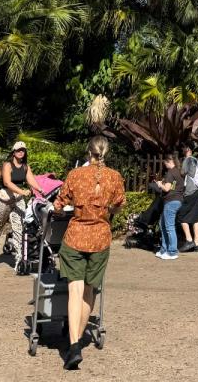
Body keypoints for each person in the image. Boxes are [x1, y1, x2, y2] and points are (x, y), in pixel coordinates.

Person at [54, 136, 125, 371]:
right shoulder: (114, 177)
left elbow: (59, 203)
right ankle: (77, 343)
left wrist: (59, 208)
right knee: (89, 290)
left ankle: (74, 345)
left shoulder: (75, 175)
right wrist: (106, 209)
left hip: (75, 236)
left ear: (88, 152)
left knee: (74, 290)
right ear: (106, 153)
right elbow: (119, 205)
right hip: (100, 239)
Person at [0, 141, 41, 271]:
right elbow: (7, 182)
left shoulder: (25, 167)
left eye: (23, 150)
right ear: (13, 152)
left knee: (20, 229)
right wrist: (22, 191)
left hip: (18, 200)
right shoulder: (7, 165)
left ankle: (20, 261)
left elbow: (32, 180)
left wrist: (41, 189)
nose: (21, 152)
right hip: (5, 199)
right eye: (18, 150)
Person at [155, 154, 183, 260]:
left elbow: (167, 188)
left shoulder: (170, 173)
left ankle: (172, 252)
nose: (164, 165)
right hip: (177, 200)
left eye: (165, 163)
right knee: (162, 224)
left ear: (169, 161)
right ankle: (164, 249)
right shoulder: (178, 172)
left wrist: (159, 184)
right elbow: (174, 186)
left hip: (171, 201)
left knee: (169, 226)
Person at [179, 142, 198, 253]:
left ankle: (189, 240)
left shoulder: (187, 160)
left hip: (190, 191)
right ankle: (197, 244)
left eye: (184, 148)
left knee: (181, 215)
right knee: (195, 218)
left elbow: (182, 173)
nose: (182, 150)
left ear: (187, 149)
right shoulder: (197, 161)